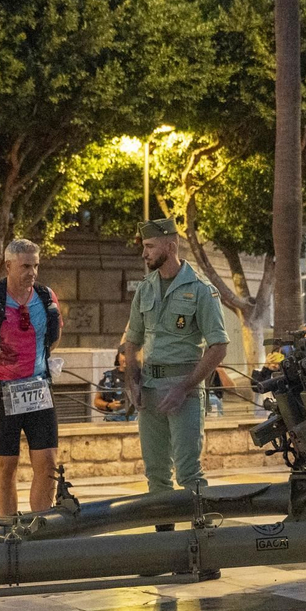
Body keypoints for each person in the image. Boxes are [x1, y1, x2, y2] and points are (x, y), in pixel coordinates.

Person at [122, 218, 229, 513]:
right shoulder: (145, 289)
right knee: (156, 475)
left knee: (188, 473)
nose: (144, 253)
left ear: (170, 247)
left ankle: (203, 534)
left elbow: (219, 347)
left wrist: (184, 388)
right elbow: (132, 340)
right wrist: (132, 381)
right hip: (149, 390)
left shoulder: (201, 290)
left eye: (149, 246)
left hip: (184, 391)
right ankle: (164, 534)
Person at [0, 237, 64, 517]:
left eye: (35, 266)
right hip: (1, 391)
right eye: (25, 266)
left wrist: (37, 360)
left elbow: (54, 335)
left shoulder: (46, 297)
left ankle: (41, 524)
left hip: (38, 388)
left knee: (48, 462)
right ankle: (9, 526)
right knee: (6, 465)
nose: (32, 272)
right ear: (8, 266)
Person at [94, 350, 134, 421]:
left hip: (137, 420)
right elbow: (97, 401)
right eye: (124, 354)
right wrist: (109, 405)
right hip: (115, 420)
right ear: (118, 357)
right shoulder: (109, 376)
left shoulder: (142, 376)